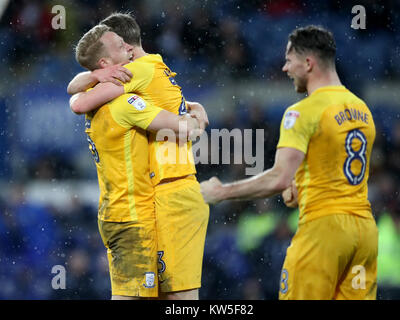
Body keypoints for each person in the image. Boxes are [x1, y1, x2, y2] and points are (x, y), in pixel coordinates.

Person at [200, 25, 378, 300]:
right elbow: (334, 165)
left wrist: (221, 192)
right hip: (364, 233)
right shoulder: (361, 109)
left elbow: (278, 178)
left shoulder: (303, 111)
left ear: (308, 63)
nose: (284, 68)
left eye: (288, 59)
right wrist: (302, 184)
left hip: (323, 231)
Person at [68, 13, 210, 300]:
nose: (127, 51)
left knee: (169, 298)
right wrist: (195, 118)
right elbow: (77, 97)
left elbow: (77, 98)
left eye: (123, 45)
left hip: (144, 204)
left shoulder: (128, 81)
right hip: (144, 207)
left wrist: (192, 114)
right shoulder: (141, 83)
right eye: (119, 47)